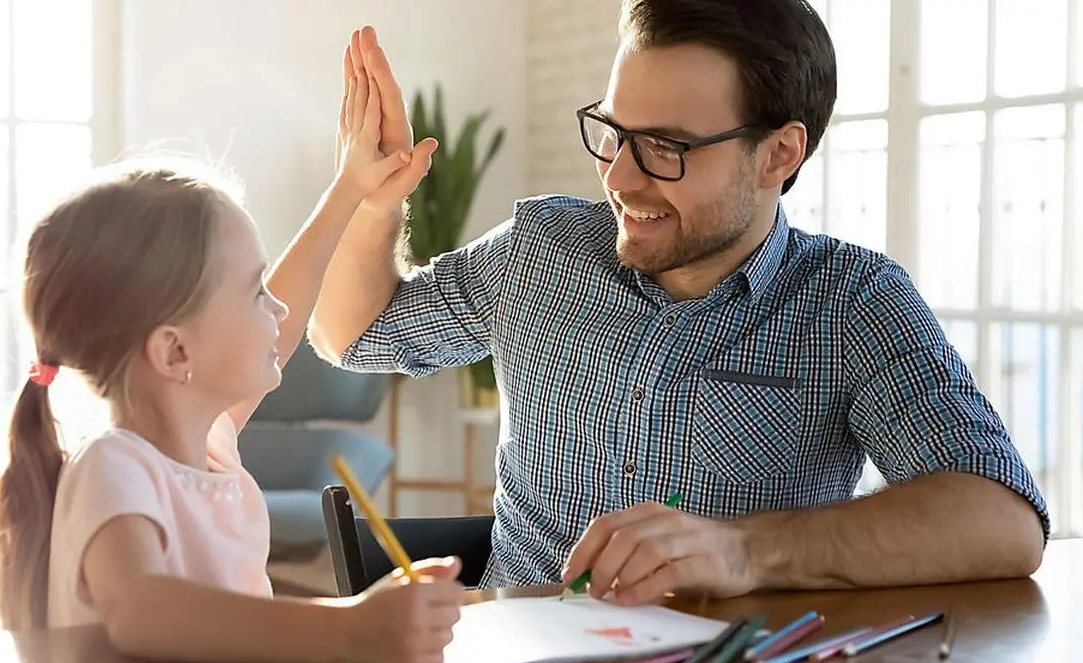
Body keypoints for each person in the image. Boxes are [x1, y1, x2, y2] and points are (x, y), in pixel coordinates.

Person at [310, 5, 1049, 606]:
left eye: (666, 147)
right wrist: (376, 204)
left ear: (778, 155)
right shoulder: (539, 249)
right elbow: (352, 334)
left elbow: (1002, 521)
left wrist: (742, 548)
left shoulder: (852, 304)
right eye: (614, 133)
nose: (622, 178)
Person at [0, 58, 461, 663]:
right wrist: (345, 629)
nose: (279, 306)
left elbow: (285, 324)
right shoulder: (114, 466)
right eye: (253, 290)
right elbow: (143, 611)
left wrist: (350, 190)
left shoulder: (205, 445)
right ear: (175, 353)